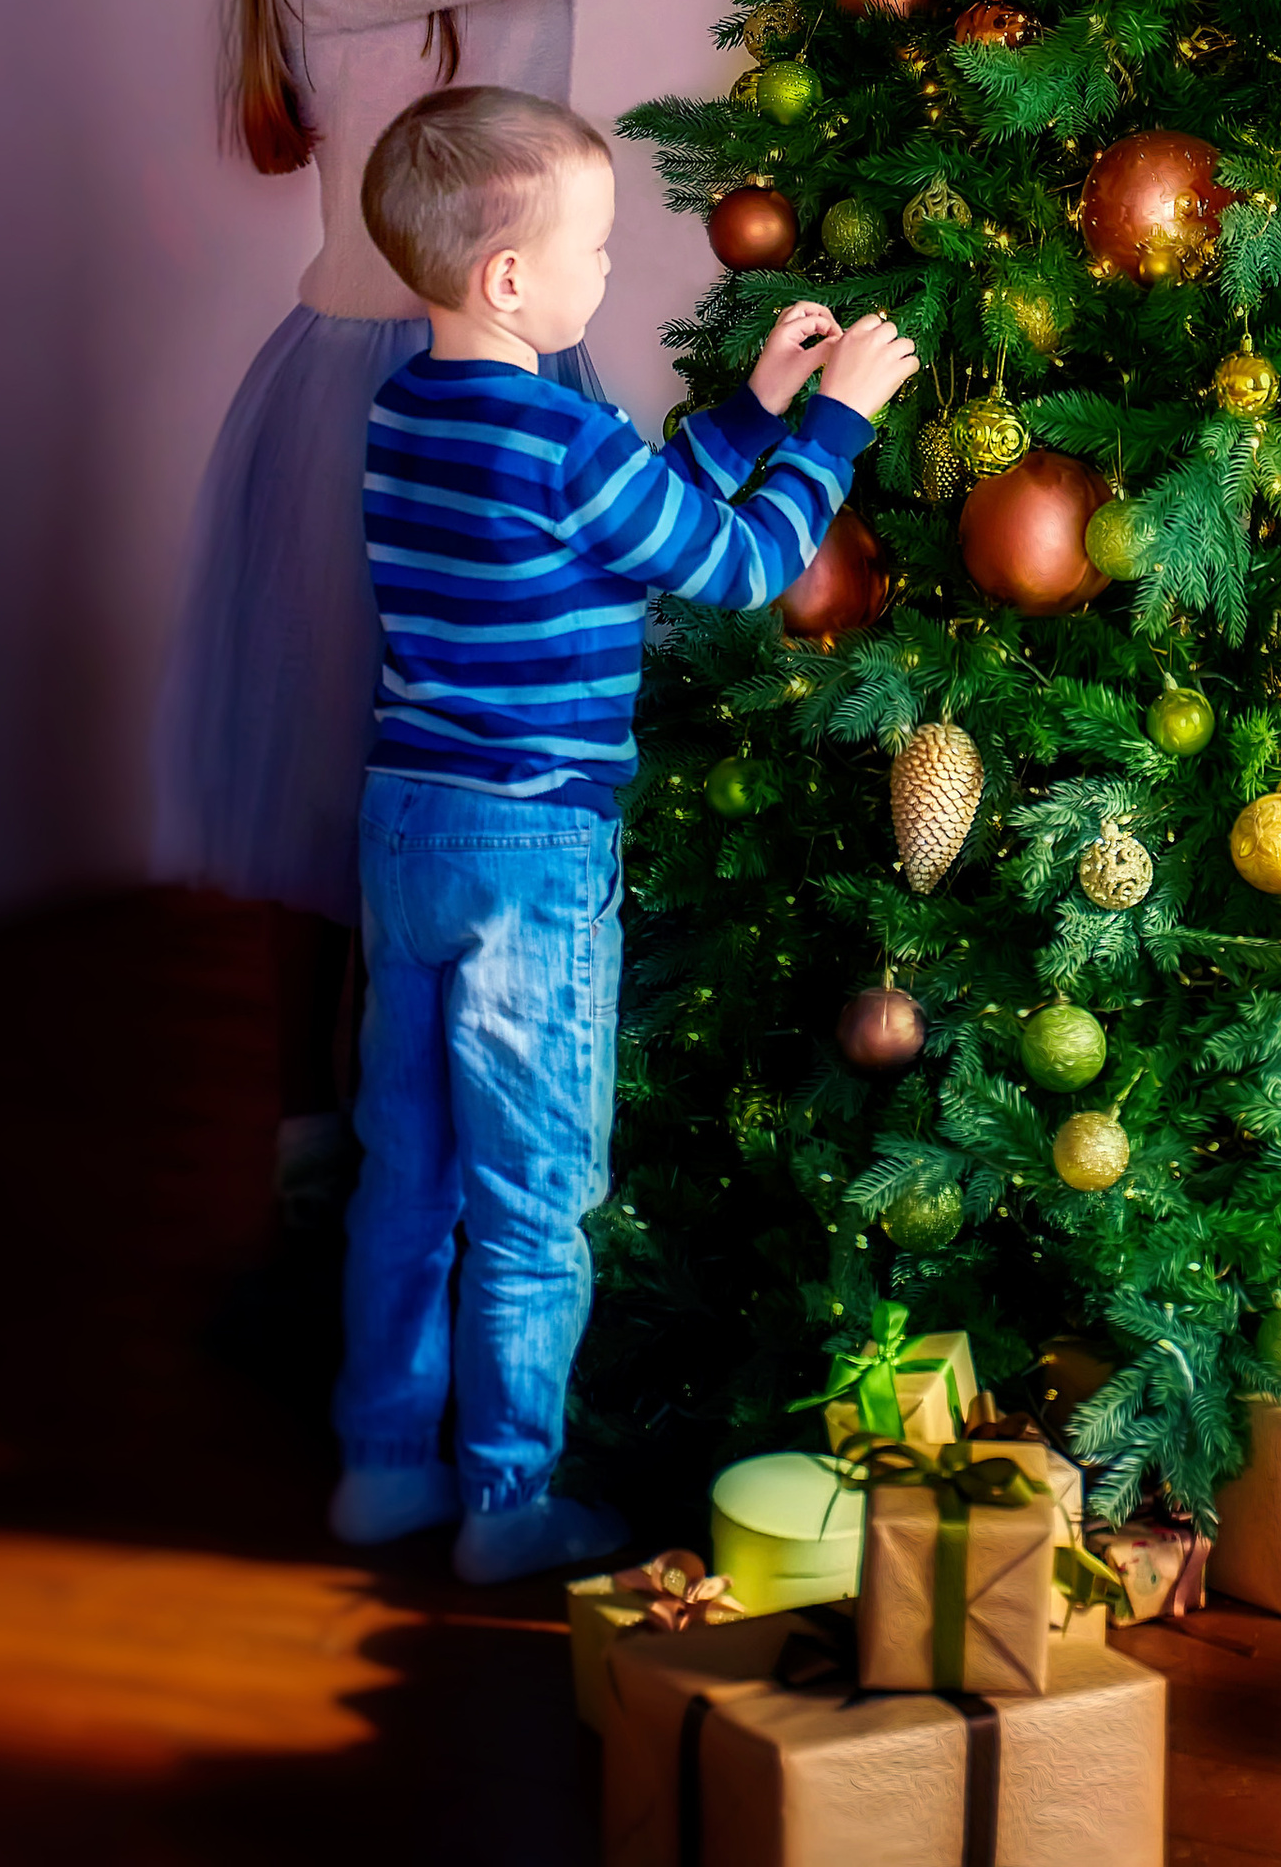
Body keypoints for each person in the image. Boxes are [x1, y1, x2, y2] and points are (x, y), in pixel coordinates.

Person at [153, 0, 870, 1214]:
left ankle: (513, 1094)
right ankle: (311, 1131)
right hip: (362, 384)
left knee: (520, 731)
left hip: (526, 360)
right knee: (333, 754)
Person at [332, 83, 919, 1578]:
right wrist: (836, 426)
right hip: (532, 851)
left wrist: (755, 408)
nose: (605, 270)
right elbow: (730, 565)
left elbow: (620, 528)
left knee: (407, 1170)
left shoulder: (408, 416)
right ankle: (507, 1505)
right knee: (534, 1191)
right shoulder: (561, 436)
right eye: (591, 247)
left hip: (408, 827)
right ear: (507, 278)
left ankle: (383, 1469)